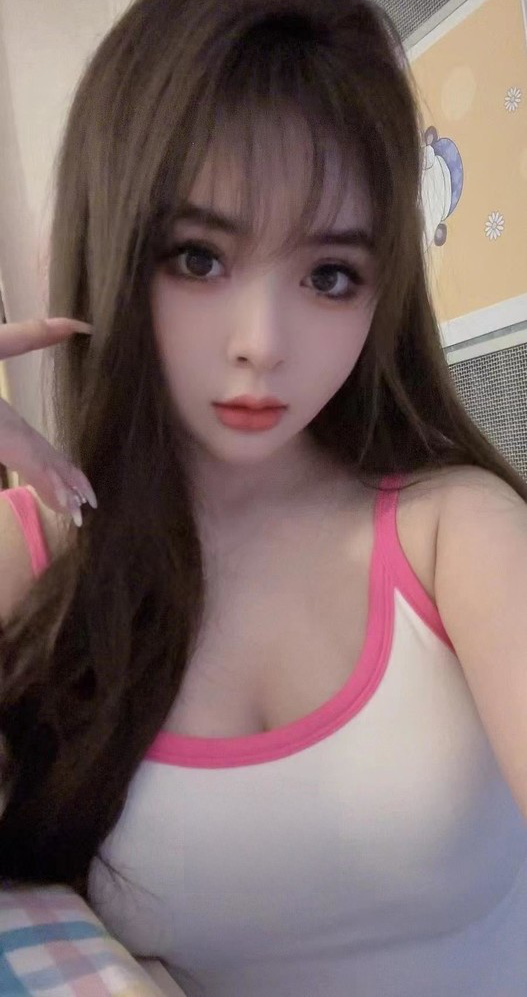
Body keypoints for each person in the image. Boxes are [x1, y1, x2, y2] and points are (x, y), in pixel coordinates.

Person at [0, 0, 526, 993]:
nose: (262, 343)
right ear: (112, 246)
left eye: (329, 274)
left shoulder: (455, 533)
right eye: (198, 258)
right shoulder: (35, 558)